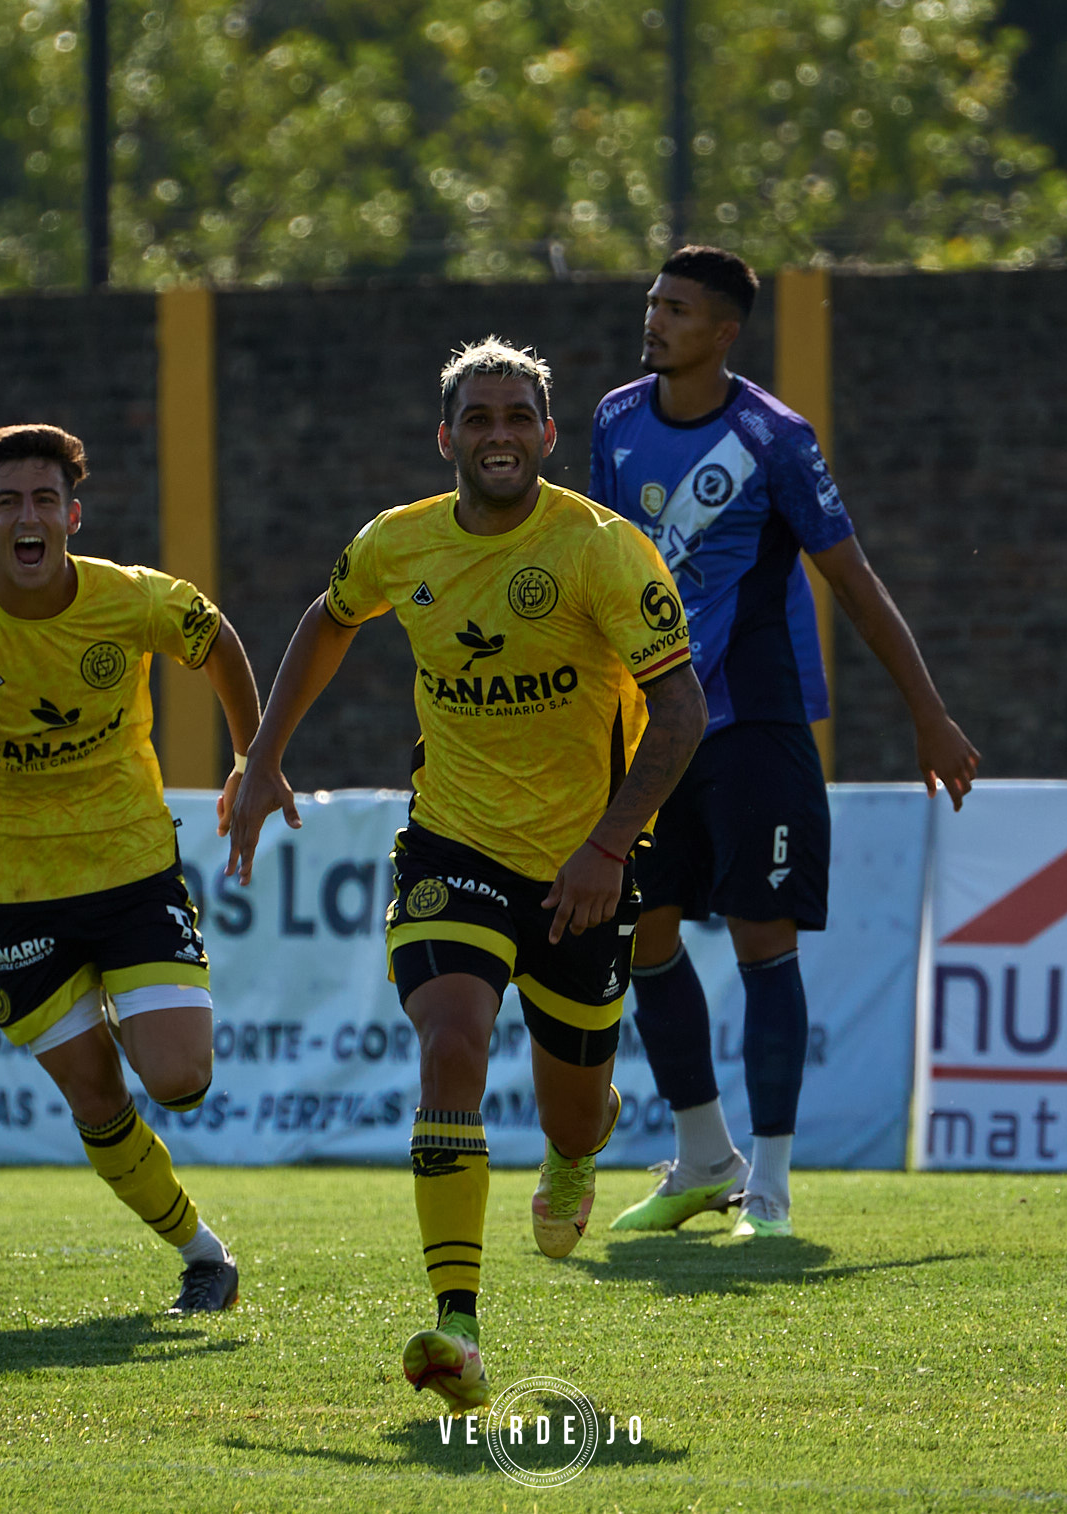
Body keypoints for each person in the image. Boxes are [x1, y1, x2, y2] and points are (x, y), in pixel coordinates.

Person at [224, 338, 706, 1412]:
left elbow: (680, 710)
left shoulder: (601, 548)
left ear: (546, 433)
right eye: (476, 418)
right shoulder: (397, 544)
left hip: (585, 861)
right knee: (451, 1039)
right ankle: (457, 1326)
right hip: (451, 844)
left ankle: (576, 1154)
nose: (497, 435)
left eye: (516, 417)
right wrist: (261, 757)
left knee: (571, 1110)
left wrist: (606, 846)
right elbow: (325, 617)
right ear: (446, 437)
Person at [587, 246, 979, 1239]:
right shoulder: (613, 421)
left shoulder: (772, 436)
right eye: (652, 303)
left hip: (752, 720)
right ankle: (701, 1152)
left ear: (724, 331)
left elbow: (851, 578)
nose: (655, 319)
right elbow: (601, 577)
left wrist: (926, 712)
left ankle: (767, 1183)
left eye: (676, 308)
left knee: (763, 940)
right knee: (643, 932)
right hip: (651, 729)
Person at [0, 423, 261, 1315]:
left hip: (128, 864)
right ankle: (203, 1256)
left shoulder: (131, 601)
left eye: (44, 499)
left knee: (181, 1081)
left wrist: (252, 759)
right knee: (96, 1097)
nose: (28, 516)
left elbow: (220, 642)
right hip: (9, 892)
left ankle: (136, 1015)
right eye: (8, 501)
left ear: (73, 515)